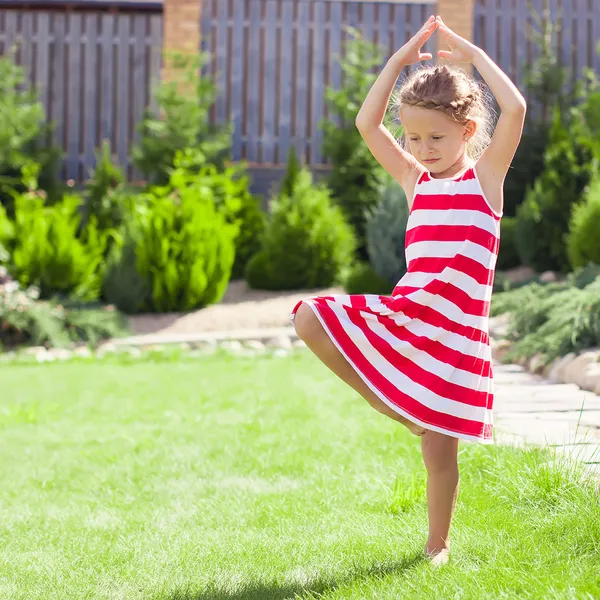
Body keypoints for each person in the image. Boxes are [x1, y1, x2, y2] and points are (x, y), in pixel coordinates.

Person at [290, 15, 526, 565]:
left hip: (457, 337)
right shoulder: (414, 180)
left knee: (439, 453)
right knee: (307, 318)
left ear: (468, 133)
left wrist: (470, 55)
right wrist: (397, 63)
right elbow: (366, 124)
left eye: (435, 137)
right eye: (414, 137)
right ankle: (400, 404)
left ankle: (436, 546)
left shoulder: (485, 180)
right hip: (410, 318)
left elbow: (513, 110)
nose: (423, 147)